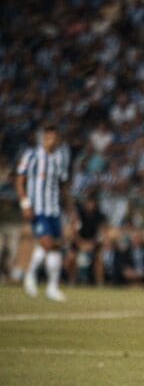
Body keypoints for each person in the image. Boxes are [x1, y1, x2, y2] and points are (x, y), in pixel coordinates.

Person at [15, 125, 70, 301]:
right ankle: (30, 275)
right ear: (43, 138)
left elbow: (63, 185)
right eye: (48, 137)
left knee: (55, 247)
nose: (51, 141)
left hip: (54, 209)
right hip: (38, 209)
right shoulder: (31, 155)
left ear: (58, 140)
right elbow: (20, 180)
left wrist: (70, 209)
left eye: (54, 138)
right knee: (47, 244)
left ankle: (51, 287)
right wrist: (25, 204)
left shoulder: (60, 158)